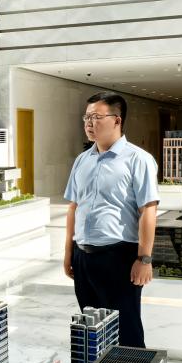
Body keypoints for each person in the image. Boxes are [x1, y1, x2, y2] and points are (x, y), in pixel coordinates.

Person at [63, 92, 159, 348]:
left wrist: (144, 259)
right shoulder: (82, 160)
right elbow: (73, 207)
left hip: (119, 258)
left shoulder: (138, 159)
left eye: (96, 117)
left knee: (126, 333)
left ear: (117, 120)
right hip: (84, 258)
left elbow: (148, 210)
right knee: (91, 331)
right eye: (86, 117)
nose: (88, 123)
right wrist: (69, 253)